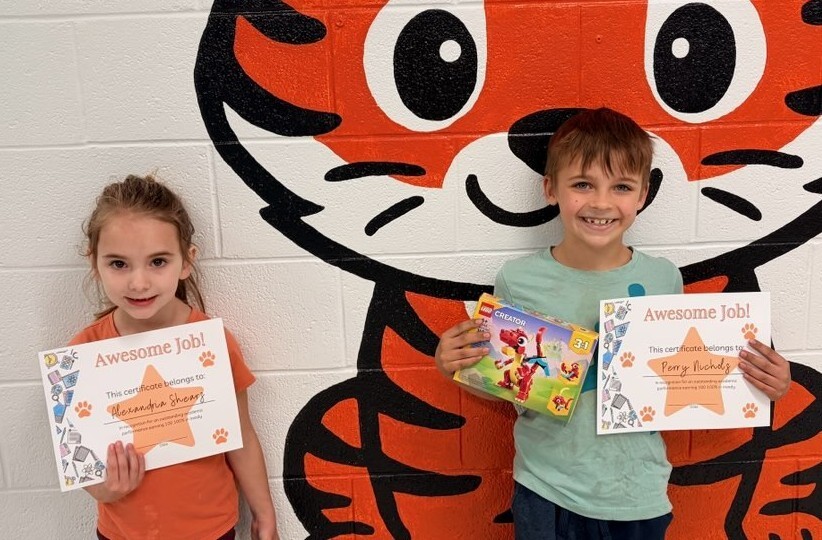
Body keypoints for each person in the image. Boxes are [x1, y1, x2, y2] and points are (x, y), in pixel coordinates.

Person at [434, 108, 791, 539]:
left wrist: (765, 381)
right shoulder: (518, 280)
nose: (601, 203)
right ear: (551, 189)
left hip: (638, 491)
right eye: (583, 184)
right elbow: (509, 380)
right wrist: (455, 365)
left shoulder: (664, 279)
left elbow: (688, 377)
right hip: (547, 490)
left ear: (642, 195)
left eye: (621, 186)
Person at [70, 174, 279, 540]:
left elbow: (241, 436)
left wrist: (264, 514)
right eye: (118, 264)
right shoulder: (80, 356)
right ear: (95, 264)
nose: (139, 283)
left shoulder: (211, 344)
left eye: (158, 262)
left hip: (212, 530)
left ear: (186, 262)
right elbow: (79, 459)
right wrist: (106, 489)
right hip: (122, 534)